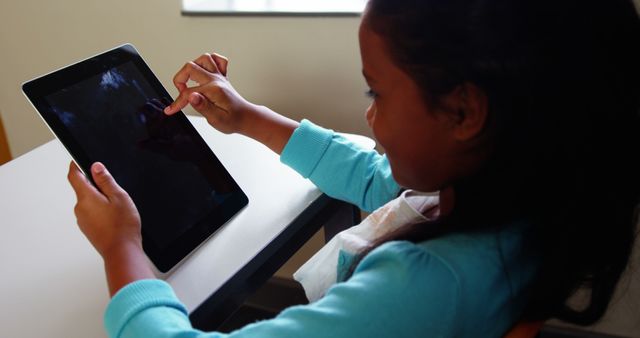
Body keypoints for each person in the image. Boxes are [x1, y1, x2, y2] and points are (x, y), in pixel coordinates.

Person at [67, 0, 640, 337]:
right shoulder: (519, 195)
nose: (368, 115)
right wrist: (249, 118)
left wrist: (123, 250)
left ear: (464, 111)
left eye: (377, 92)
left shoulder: (420, 289)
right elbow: (377, 179)